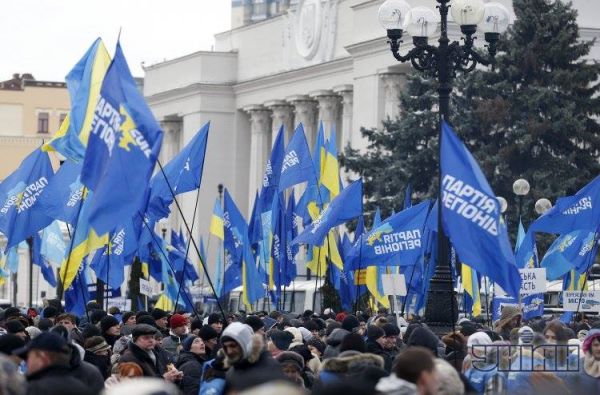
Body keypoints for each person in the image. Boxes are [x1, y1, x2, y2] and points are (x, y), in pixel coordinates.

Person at [13, 332, 95, 395]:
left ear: (43, 357)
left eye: (28, 357)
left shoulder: (35, 389)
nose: (26, 362)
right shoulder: (83, 388)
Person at [221, 322, 285, 392]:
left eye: (233, 346)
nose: (229, 351)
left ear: (245, 343)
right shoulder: (231, 370)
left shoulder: (269, 367)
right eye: (225, 347)